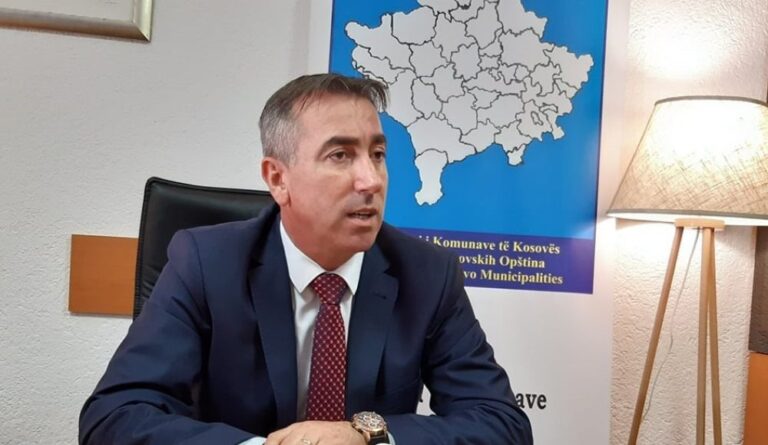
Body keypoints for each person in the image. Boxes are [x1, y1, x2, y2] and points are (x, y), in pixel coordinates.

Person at [79, 73, 533, 445]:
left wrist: (369, 436)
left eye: (377, 154)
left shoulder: (427, 274)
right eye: (340, 155)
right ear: (278, 179)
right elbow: (114, 416)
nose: (371, 180)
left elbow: (502, 425)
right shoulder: (205, 263)